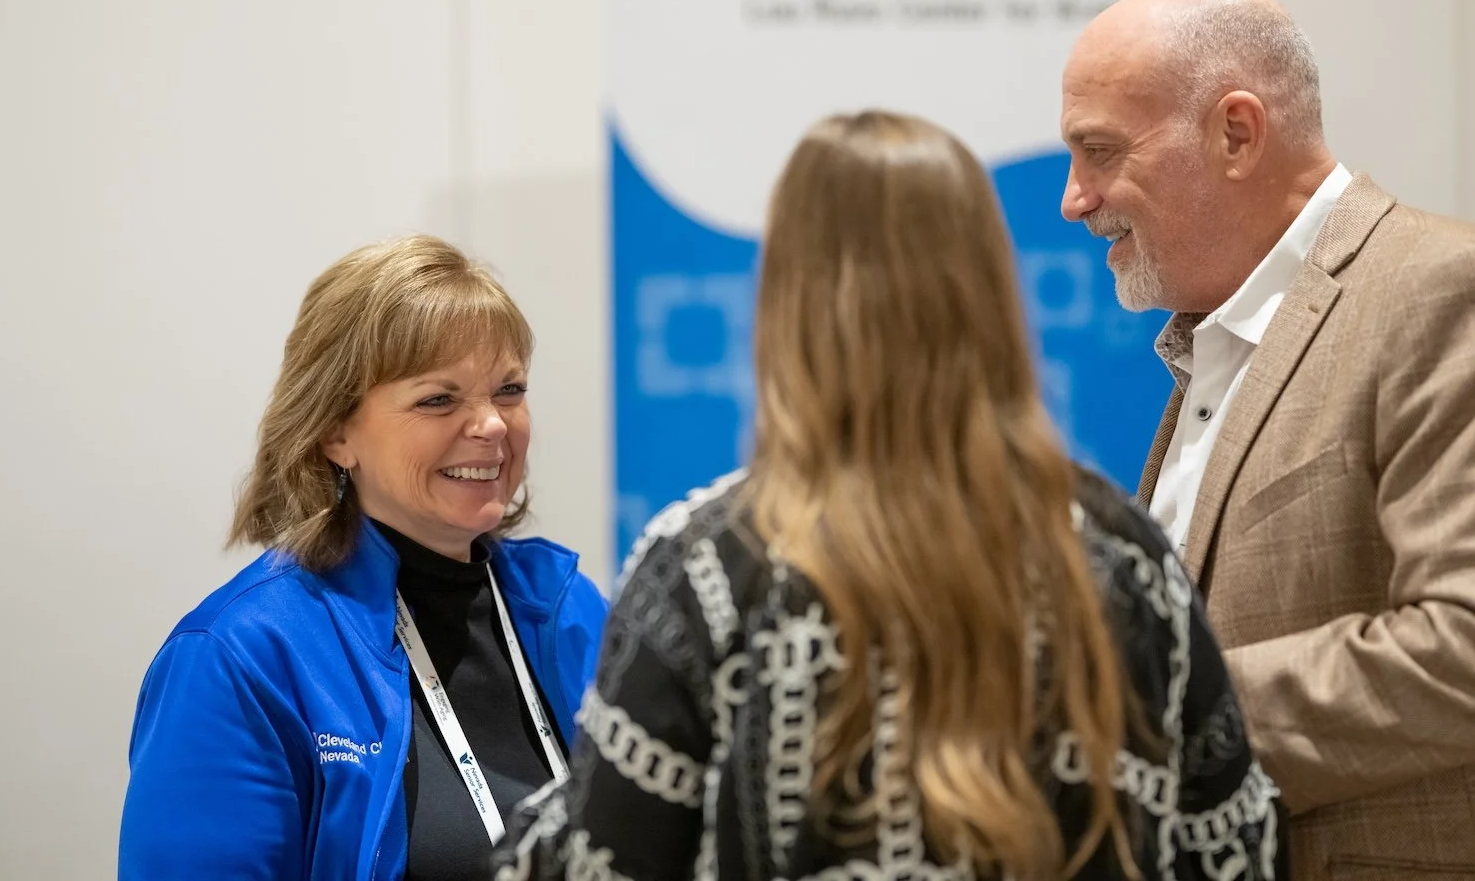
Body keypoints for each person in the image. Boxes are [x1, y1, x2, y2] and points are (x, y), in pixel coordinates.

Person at [492, 112, 1284, 881]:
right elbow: (1233, 846)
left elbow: (603, 861)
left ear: (785, 305)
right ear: (987, 291)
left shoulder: (706, 570)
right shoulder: (1123, 559)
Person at [1060, 0, 1475, 879]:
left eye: (1099, 152)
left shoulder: (1440, 292)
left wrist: (1144, 714)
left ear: (1237, 134)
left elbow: (1464, 647)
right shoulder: (1214, 345)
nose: (1074, 198)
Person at [118, 235, 609, 881]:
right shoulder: (238, 657)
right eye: (440, 398)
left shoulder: (571, 610)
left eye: (509, 390)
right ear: (335, 431)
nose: (492, 424)